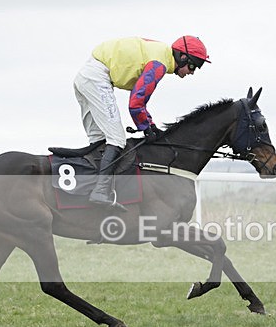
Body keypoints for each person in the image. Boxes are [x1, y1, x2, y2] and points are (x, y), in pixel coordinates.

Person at [73, 35, 211, 207]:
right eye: (193, 66)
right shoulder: (159, 63)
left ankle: (92, 191)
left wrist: (149, 125)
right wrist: (147, 127)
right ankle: (100, 191)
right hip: (97, 78)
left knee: (98, 141)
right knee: (116, 139)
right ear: (182, 56)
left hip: (85, 76)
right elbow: (136, 103)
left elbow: (138, 101)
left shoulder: (161, 54)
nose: (191, 72)